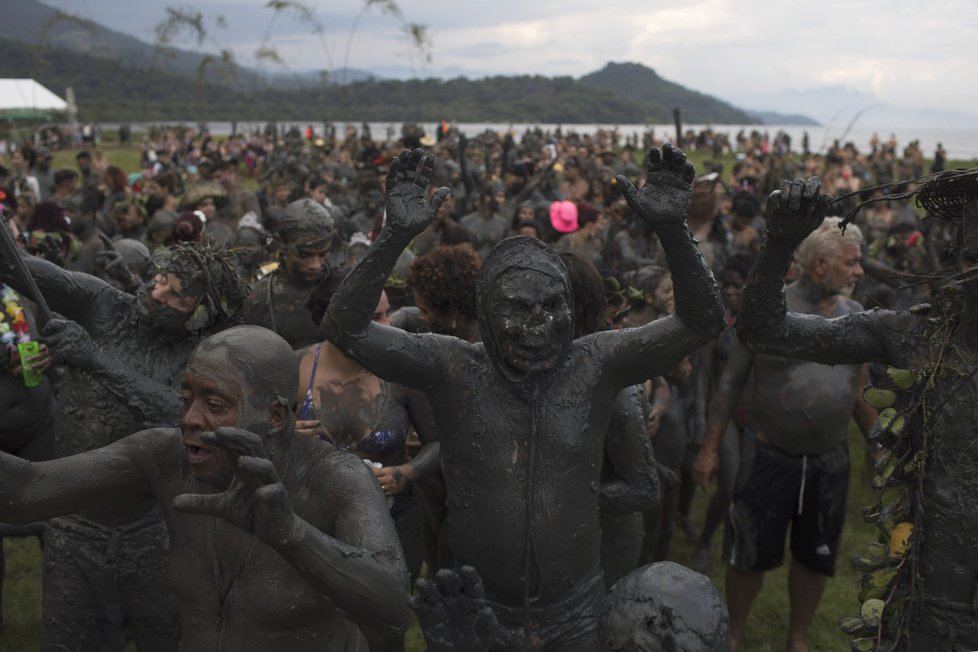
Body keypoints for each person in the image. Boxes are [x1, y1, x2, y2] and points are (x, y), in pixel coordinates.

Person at [323, 146, 724, 650]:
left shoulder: (594, 364)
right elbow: (345, 326)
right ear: (487, 316)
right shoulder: (453, 368)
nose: (539, 325)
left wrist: (671, 228)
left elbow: (702, 321)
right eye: (517, 309)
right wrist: (396, 234)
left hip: (574, 609)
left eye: (553, 305)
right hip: (474, 606)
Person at [0, 325, 410, 651]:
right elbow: (22, 491)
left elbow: (392, 608)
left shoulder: (334, 479)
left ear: (274, 415)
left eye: (214, 405)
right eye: (185, 400)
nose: (190, 419)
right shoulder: (164, 456)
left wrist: (292, 535)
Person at [730, 171, 978, 651]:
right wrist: (781, 241)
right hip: (925, 594)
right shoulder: (912, 335)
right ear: (954, 263)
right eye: (974, 259)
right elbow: (761, 329)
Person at [0, 240, 251, 652]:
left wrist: (94, 358)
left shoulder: (202, 355)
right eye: (159, 280)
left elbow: (184, 419)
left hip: (154, 531)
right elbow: (18, 268)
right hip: (72, 525)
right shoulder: (105, 305)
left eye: (175, 296)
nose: (156, 293)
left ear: (198, 316)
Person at [693, 206, 876, 652]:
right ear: (819, 264)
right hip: (767, 455)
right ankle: (735, 630)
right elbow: (731, 382)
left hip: (830, 460)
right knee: (750, 550)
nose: (859, 270)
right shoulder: (766, 310)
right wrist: (710, 448)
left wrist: (877, 447)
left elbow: (860, 389)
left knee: (816, 554)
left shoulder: (855, 315)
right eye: (851, 262)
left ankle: (797, 635)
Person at [247, 198, 335, 349]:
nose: (315, 265)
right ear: (283, 247)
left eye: (322, 255)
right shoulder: (259, 297)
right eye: (304, 255)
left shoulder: (339, 291)